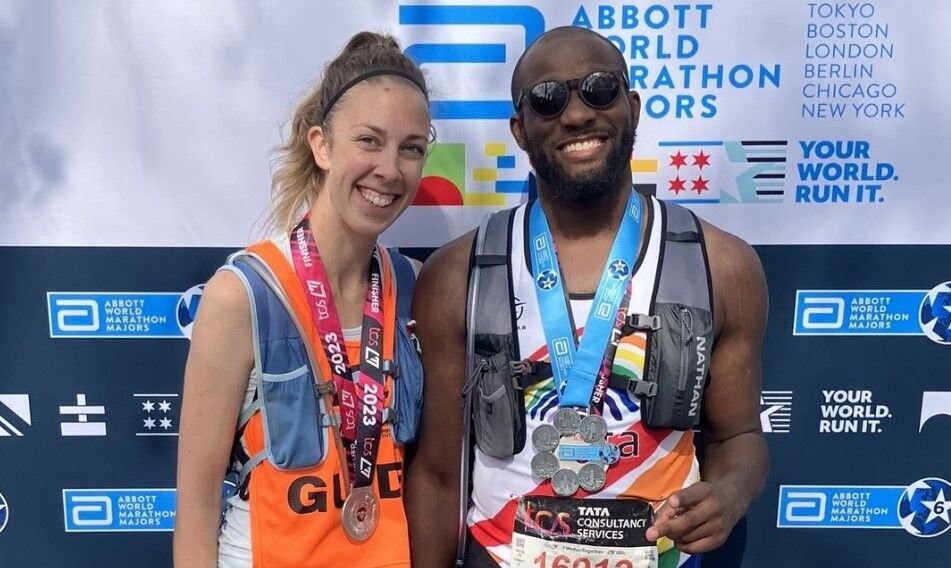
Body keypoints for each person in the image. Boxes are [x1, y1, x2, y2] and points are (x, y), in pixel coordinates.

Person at [405, 26, 768, 568]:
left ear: (633, 106)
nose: (575, 116)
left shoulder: (722, 265)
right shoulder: (459, 272)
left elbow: (738, 437)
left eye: (599, 90)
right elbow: (437, 475)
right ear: (520, 130)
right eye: (547, 101)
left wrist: (729, 495)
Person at [174, 32, 431, 568]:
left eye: (411, 148)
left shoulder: (414, 287)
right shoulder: (243, 294)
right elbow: (196, 506)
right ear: (322, 145)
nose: (390, 168)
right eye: (369, 140)